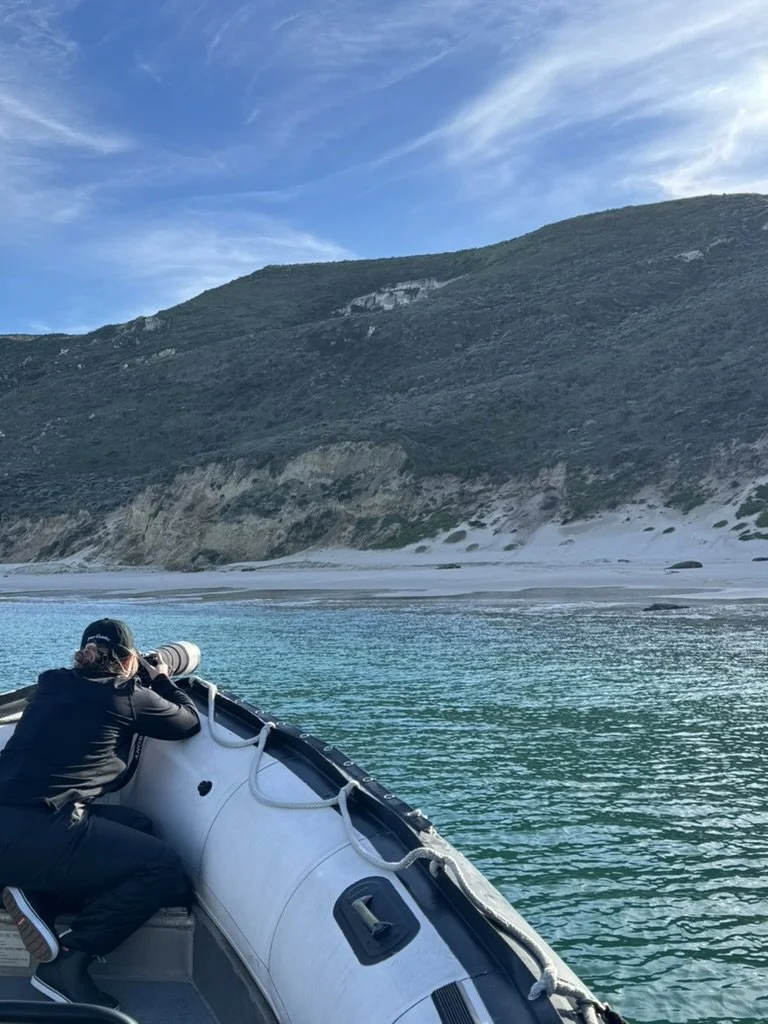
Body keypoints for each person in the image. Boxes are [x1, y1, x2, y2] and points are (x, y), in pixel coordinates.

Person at [0, 618, 201, 1009]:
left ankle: (30, 890)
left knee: (140, 826)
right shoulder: (126, 696)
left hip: (13, 824)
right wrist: (160, 678)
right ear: (128, 661)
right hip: (40, 831)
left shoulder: (51, 684)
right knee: (161, 867)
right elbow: (187, 722)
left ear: (82, 654)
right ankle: (68, 963)